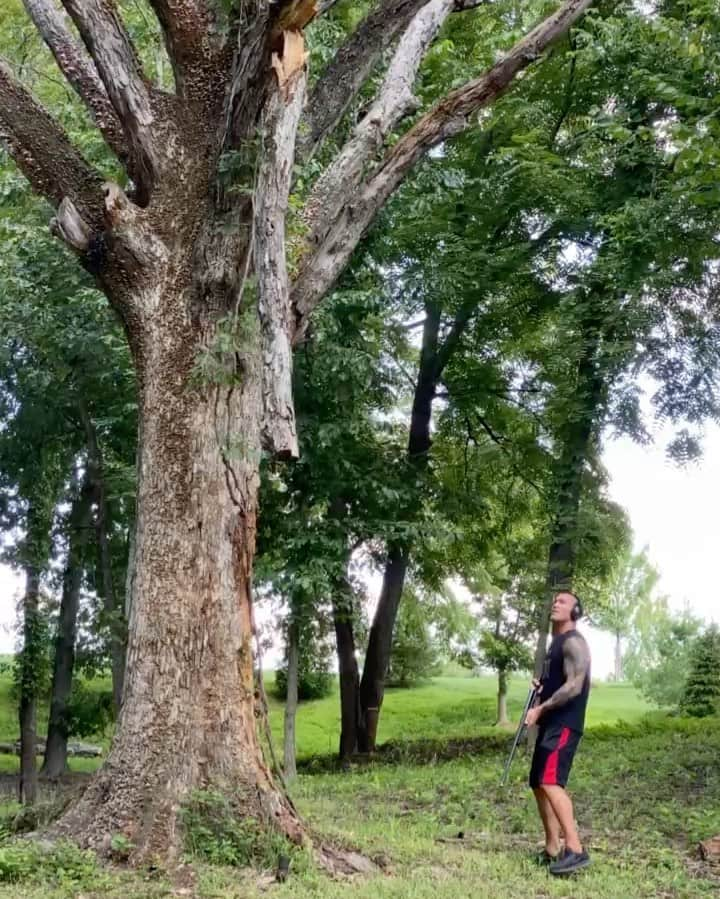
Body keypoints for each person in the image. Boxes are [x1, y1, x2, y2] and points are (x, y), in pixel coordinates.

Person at [524, 589, 591, 876]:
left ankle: (575, 848)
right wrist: (543, 688)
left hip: (564, 723)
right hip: (551, 723)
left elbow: (575, 685)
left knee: (551, 782)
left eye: (563, 602)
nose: (556, 604)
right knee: (538, 784)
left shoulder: (574, 642)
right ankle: (552, 847)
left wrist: (540, 709)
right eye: (554, 601)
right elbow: (560, 681)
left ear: (575, 612)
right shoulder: (557, 643)